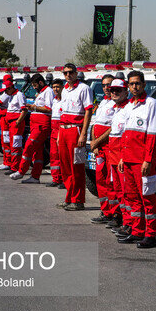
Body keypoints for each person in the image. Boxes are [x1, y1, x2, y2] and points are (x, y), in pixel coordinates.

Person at [117, 70, 156, 248]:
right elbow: (125, 135)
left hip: (142, 162)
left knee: (147, 198)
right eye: (131, 84)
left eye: (137, 83)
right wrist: (122, 158)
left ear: (144, 85)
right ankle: (137, 232)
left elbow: (152, 136)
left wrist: (147, 160)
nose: (134, 87)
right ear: (128, 86)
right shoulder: (129, 106)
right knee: (132, 198)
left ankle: (150, 235)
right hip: (127, 160)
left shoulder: (152, 105)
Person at [58, 63, 93, 211]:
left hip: (75, 130)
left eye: (71, 72)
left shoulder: (84, 88)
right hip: (63, 129)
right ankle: (69, 197)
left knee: (76, 167)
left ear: (76, 73)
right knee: (65, 166)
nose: (68, 75)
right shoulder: (64, 90)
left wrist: (84, 133)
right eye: (65, 73)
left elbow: (88, 111)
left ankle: (78, 200)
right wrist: (60, 133)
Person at [12, 73, 54, 183]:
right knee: (38, 152)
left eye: (35, 85)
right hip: (35, 125)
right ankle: (35, 176)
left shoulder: (48, 91)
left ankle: (21, 171)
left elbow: (49, 109)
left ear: (40, 82)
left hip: (41, 126)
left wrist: (34, 107)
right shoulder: (41, 93)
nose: (34, 88)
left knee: (29, 146)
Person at [89, 74, 119, 223]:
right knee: (100, 180)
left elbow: (112, 128)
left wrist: (97, 142)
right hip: (99, 148)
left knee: (111, 181)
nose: (107, 88)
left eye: (109, 85)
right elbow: (95, 124)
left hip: (110, 147)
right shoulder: (102, 103)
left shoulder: (117, 104)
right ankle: (105, 211)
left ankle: (115, 214)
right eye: (104, 85)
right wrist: (94, 143)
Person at [103, 78, 129, 232]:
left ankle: (128, 222)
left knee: (126, 191)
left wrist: (122, 157)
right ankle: (122, 219)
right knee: (116, 189)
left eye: (118, 90)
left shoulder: (128, 109)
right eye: (112, 90)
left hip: (121, 154)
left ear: (126, 91)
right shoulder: (116, 108)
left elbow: (127, 135)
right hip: (112, 154)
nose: (114, 93)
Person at [3, 80, 28, 175]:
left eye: (6, 90)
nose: (5, 92)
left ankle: (15, 167)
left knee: (16, 146)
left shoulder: (19, 95)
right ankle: (12, 165)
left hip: (16, 124)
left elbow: (24, 109)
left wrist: (18, 121)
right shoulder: (11, 96)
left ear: (10, 88)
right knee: (12, 145)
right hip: (11, 124)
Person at [47, 78, 65, 188]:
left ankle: (64, 180)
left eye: (58, 87)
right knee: (53, 155)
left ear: (62, 87)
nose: (56, 89)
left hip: (61, 129)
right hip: (53, 130)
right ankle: (56, 178)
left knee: (62, 156)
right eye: (54, 87)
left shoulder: (65, 100)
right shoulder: (54, 100)